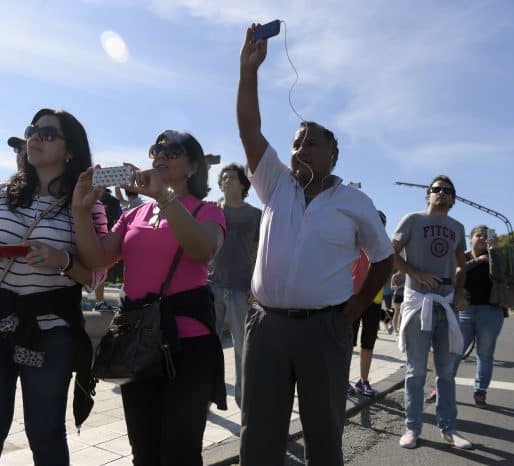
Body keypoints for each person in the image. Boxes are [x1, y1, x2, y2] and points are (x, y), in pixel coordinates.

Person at [237, 24, 395, 466]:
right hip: (267, 327)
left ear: (334, 155)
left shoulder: (354, 203)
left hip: (325, 330)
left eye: (312, 143)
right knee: (259, 432)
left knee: (323, 431)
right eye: (296, 143)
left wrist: (355, 308)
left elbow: (385, 261)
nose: (301, 149)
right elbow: (250, 128)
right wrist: (248, 70)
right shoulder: (275, 185)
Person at [0, 108, 107, 465]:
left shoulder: (85, 202)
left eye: (48, 133)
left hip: (48, 330)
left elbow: (95, 274)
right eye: (33, 130)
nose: (35, 137)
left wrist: (60, 260)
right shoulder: (1, 193)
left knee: (46, 433)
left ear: (70, 150)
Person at [72, 129, 227, 465]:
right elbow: (97, 259)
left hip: (187, 344)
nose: (160, 155)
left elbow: (202, 250)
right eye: (156, 148)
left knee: (180, 451)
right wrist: (81, 212)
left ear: (192, 166)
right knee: (143, 450)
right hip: (137, 341)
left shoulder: (208, 211)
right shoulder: (133, 214)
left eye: (171, 150)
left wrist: (165, 198)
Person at [393, 175, 471, 450]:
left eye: (447, 190)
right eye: (436, 189)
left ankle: (449, 429)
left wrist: (459, 291)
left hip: (446, 303)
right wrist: (416, 273)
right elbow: (390, 252)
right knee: (415, 371)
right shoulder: (412, 220)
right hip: (418, 302)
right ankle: (412, 428)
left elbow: (462, 264)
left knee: (447, 372)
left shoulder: (458, 227)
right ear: (427, 195)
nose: (441, 193)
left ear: (453, 198)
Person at [210, 163, 261, 408]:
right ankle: (204, 400)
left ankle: (244, 403)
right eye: (224, 178)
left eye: (232, 177)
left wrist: (257, 287)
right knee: (207, 347)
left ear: (243, 184)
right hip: (212, 286)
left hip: (242, 289)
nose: (226, 181)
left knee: (243, 349)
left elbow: (262, 253)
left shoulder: (255, 215)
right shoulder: (212, 210)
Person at [453, 225, 506, 409]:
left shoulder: (496, 257)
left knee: (485, 355)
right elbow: (454, 273)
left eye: (487, 236)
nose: (483, 239)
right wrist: (478, 261)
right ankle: (442, 387)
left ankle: (480, 392)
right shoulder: (463, 257)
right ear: (471, 238)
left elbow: (502, 275)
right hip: (464, 310)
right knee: (454, 352)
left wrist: (494, 252)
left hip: (490, 311)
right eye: (479, 235)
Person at [348, 210, 388, 397]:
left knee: (368, 343)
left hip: (374, 299)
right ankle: (342, 379)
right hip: (353, 297)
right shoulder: (354, 242)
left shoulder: (384, 247)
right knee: (348, 342)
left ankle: (363, 380)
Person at [93, 188, 122, 311]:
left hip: (92, 238)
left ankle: (99, 302)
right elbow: (117, 220)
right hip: (105, 238)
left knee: (98, 269)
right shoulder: (114, 202)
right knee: (100, 270)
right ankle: (99, 302)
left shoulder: (92, 200)